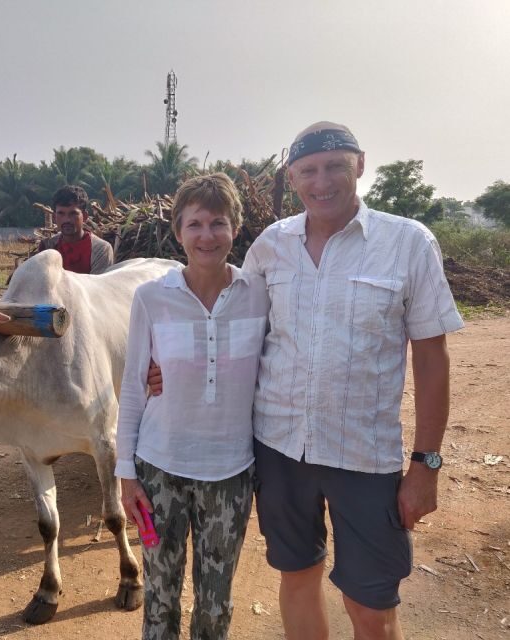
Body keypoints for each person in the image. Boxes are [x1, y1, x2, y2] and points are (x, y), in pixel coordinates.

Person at [150, 122, 464, 639]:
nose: (323, 182)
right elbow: (231, 325)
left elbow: (432, 358)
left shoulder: (407, 243)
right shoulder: (272, 246)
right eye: (309, 171)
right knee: (297, 578)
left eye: (336, 166)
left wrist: (426, 465)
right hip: (279, 450)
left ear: (359, 165)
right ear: (292, 178)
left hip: (363, 456)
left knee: (370, 605)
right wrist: (172, 367)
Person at [116, 173, 269, 639]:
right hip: (159, 472)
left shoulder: (259, 295)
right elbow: (132, 387)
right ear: (178, 232)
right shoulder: (151, 298)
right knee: (160, 598)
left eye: (218, 223)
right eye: (195, 224)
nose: (207, 235)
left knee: (215, 603)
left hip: (231, 474)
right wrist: (126, 474)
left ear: (235, 227)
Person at [37, 185, 114, 274]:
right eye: (61, 213)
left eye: (73, 213)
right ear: (54, 217)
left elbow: (96, 286)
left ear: (84, 216)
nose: (67, 220)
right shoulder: (47, 246)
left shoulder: (100, 249)